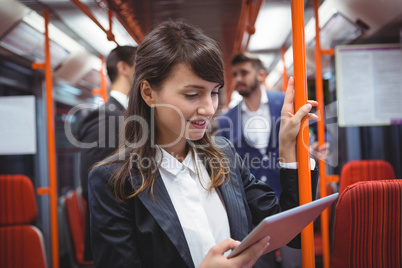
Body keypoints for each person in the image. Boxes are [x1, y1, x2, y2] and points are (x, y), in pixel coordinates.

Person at [88, 20, 318, 268]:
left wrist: (287, 150)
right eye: (192, 94)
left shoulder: (224, 154)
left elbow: (292, 234)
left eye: (214, 92)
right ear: (148, 93)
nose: (209, 109)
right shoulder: (113, 181)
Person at [79, 45, 137, 261]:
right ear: (123, 67)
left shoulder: (130, 115)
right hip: (115, 239)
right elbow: (91, 184)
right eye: (140, 65)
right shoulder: (105, 118)